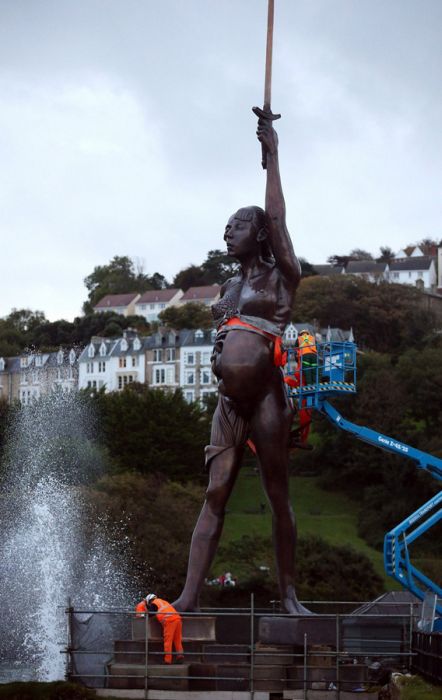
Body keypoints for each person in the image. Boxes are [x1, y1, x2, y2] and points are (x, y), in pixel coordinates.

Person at [173, 113, 310, 616]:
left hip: (269, 396)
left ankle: (290, 595)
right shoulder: (228, 288)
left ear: (260, 234)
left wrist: (271, 156)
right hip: (229, 403)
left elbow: (277, 217)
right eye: (227, 226)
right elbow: (222, 341)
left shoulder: (280, 277)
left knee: (278, 495)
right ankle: (188, 596)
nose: (228, 231)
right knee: (215, 493)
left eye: (238, 224)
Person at [135, 593, 184, 664]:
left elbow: (151, 614)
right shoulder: (162, 601)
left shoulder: (154, 603)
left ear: (149, 600)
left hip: (169, 621)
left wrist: (145, 612)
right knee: (177, 640)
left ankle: (167, 660)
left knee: (168, 641)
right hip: (178, 619)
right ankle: (180, 656)